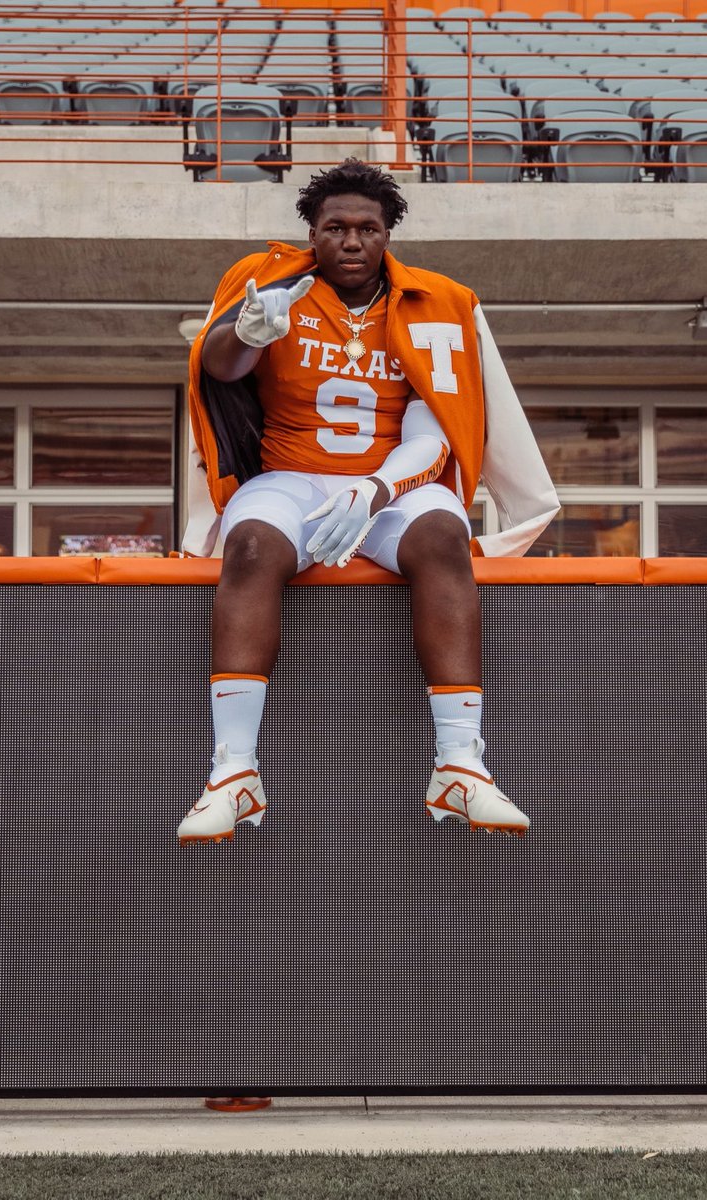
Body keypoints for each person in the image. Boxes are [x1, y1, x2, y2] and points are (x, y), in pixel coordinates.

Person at [178, 159, 558, 846]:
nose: (351, 242)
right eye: (335, 229)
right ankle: (233, 773)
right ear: (312, 235)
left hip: (388, 484)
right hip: (289, 476)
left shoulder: (436, 302)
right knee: (253, 545)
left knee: (445, 535)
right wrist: (248, 334)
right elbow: (216, 368)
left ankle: (460, 764)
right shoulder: (270, 285)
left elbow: (437, 422)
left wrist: (377, 485)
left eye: (367, 229)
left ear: (388, 236)